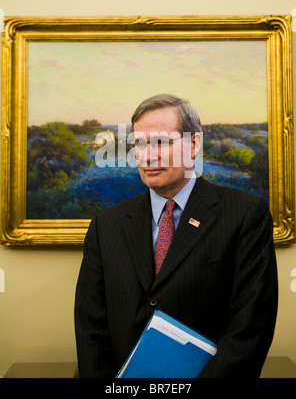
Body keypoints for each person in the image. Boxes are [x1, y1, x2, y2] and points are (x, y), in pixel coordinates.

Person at [74, 93, 278, 378]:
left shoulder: (244, 214)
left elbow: (251, 326)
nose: (147, 156)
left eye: (160, 142)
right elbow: (90, 328)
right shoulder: (105, 225)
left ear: (193, 144)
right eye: (139, 144)